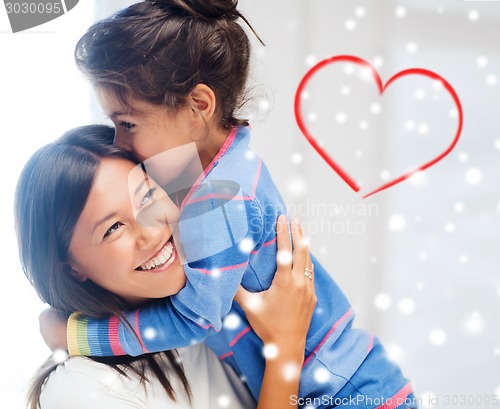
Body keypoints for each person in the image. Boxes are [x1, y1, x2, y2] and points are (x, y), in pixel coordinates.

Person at [40, 1, 418, 407]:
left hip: (346, 393)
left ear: (199, 106)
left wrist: (77, 334)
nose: (119, 141)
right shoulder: (213, 160)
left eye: (127, 123)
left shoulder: (220, 198)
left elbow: (193, 318)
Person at [15, 124, 316, 409]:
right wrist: (286, 349)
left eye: (147, 197)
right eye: (113, 228)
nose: (152, 231)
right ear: (71, 269)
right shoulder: (79, 389)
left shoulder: (205, 292)